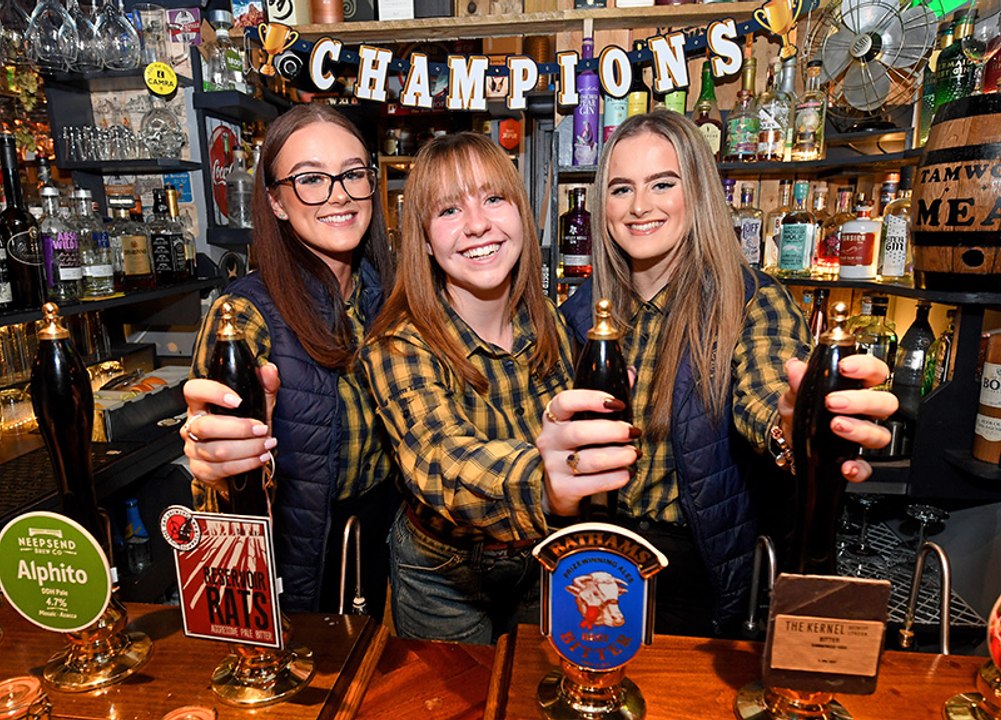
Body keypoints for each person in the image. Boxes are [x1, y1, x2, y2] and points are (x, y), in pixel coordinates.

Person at [556, 111, 898, 637]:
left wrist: (796, 420)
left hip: (690, 572)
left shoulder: (750, 302)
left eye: (662, 184)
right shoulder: (581, 313)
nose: (640, 206)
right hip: (590, 552)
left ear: (698, 193)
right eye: (621, 188)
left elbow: (764, 391)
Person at [357, 132, 639, 644]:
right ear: (422, 238)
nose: (478, 224)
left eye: (493, 198)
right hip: (442, 574)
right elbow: (439, 462)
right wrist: (547, 478)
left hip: (543, 557)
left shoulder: (549, 319)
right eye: (447, 211)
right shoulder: (397, 343)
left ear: (522, 215)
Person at [180, 104, 399, 617]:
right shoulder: (246, 312)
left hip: (382, 545)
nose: (338, 194)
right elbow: (215, 473)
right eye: (309, 180)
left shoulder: (389, 297)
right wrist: (213, 462)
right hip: (293, 556)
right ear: (276, 202)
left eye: (351, 174)